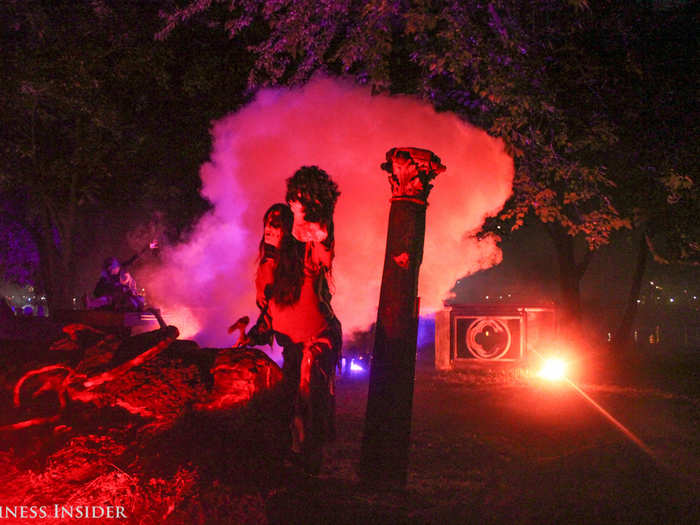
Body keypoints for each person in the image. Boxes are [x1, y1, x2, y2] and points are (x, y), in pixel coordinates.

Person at [238, 166, 341, 474]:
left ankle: (309, 466)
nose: (269, 227)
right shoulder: (266, 268)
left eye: (276, 222)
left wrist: (309, 212)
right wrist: (254, 334)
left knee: (306, 401)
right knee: (286, 403)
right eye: (267, 222)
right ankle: (293, 460)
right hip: (292, 346)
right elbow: (271, 311)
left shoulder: (307, 255)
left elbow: (323, 244)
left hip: (317, 341)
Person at [92, 240, 158, 312]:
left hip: (131, 295)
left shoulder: (123, 268)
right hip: (118, 298)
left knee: (137, 302)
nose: (110, 272)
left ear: (116, 267)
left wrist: (148, 247)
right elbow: (97, 291)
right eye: (108, 270)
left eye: (111, 269)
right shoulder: (106, 277)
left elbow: (135, 258)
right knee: (112, 297)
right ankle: (96, 304)